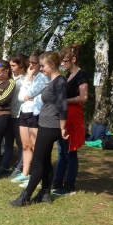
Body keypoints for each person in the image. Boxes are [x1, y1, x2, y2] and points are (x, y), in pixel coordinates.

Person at [10, 51, 68, 206]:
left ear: (53, 65)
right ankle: (45, 193)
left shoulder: (59, 81)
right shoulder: (51, 80)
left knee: (37, 162)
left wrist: (62, 128)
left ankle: (25, 197)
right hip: (45, 123)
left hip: (51, 125)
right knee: (46, 161)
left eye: (43, 66)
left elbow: (63, 106)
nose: (41, 69)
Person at [53, 44, 88, 196]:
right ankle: (57, 182)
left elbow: (84, 97)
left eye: (65, 61)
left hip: (73, 116)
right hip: (64, 116)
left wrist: (65, 101)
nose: (62, 64)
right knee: (62, 151)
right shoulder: (67, 76)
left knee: (70, 152)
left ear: (74, 59)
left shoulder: (81, 74)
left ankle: (69, 186)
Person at [11, 50, 49, 188]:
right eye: (30, 63)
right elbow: (22, 96)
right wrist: (28, 83)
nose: (31, 66)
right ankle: (25, 173)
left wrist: (28, 79)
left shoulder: (43, 78)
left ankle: (35, 175)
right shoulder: (32, 77)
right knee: (25, 145)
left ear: (41, 64)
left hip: (35, 112)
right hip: (24, 111)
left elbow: (30, 93)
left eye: (34, 63)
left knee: (35, 146)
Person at [0, 53, 26, 177]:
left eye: (14, 65)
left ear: (21, 65)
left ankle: (20, 167)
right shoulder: (10, 77)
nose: (11, 67)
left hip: (19, 113)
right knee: (8, 141)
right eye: (10, 65)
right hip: (8, 112)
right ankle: (5, 165)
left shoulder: (25, 79)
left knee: (20, 142)